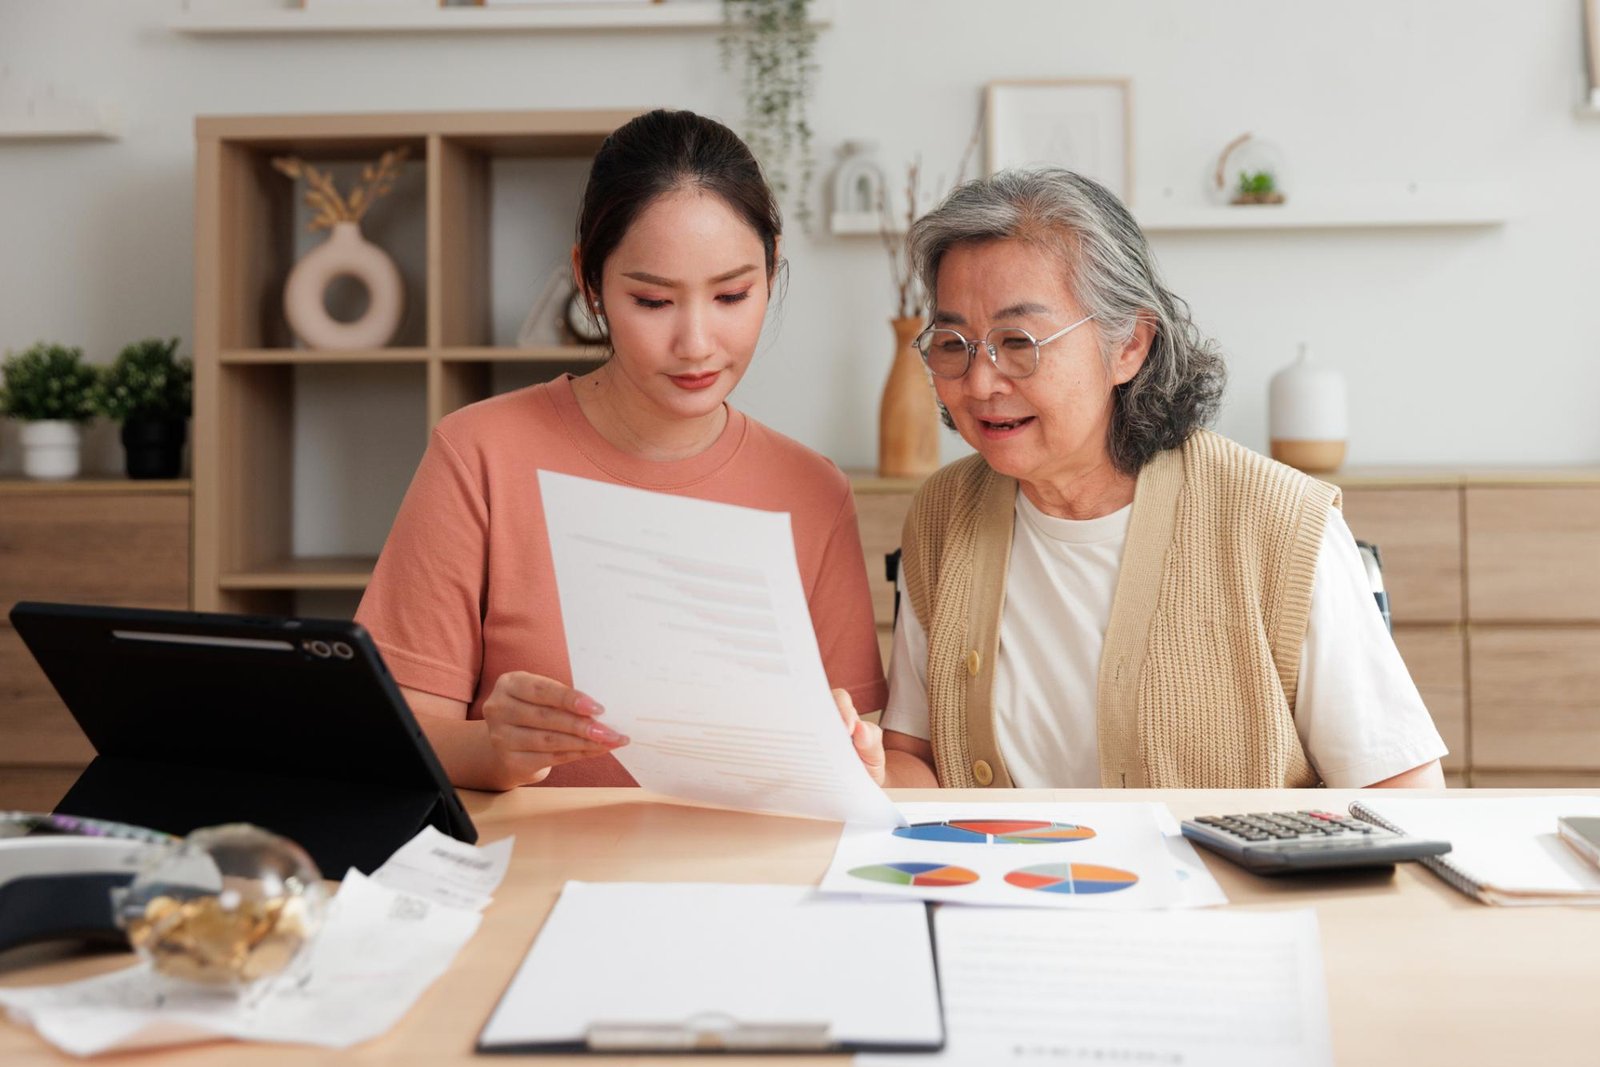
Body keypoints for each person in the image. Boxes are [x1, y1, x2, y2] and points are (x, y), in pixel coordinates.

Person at [836, 168, 1446, 790]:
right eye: (953, 342)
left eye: (1018, 341)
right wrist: (864, 772)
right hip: (999, 884)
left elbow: (1403, 793)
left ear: (1129, 345)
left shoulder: (1279, 521)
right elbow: (922, 759)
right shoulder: (945, 512)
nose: (981, 382)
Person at [357, 109, 886, 791]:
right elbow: (395, 734)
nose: (696, 342)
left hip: (742, 881)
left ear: (773, 267)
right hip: (532, 881)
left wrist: (857, 759)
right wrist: (496, 748)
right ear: (590, 281)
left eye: (732, 294)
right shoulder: (479, 455)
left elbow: (851, 754)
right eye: (652, 300)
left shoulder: (813, 491)